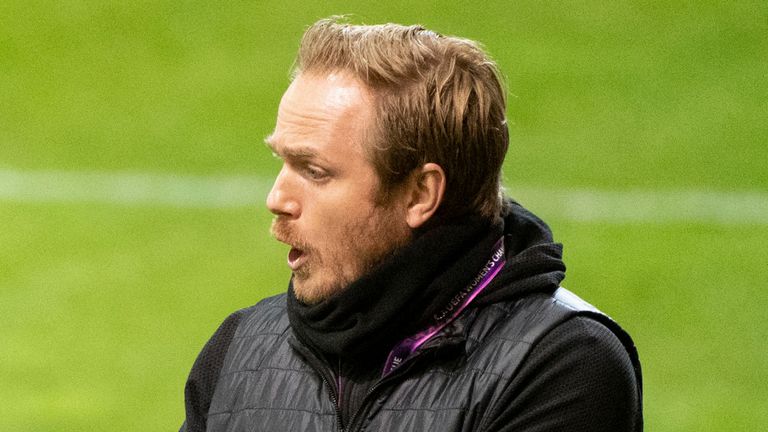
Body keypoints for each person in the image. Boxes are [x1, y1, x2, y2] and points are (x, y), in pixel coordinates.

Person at [180, 18, 642, 432]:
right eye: (282, 162)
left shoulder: (560, 368)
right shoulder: (239, 352)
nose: (276, 199)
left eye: (315, 171)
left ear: (420, 194)